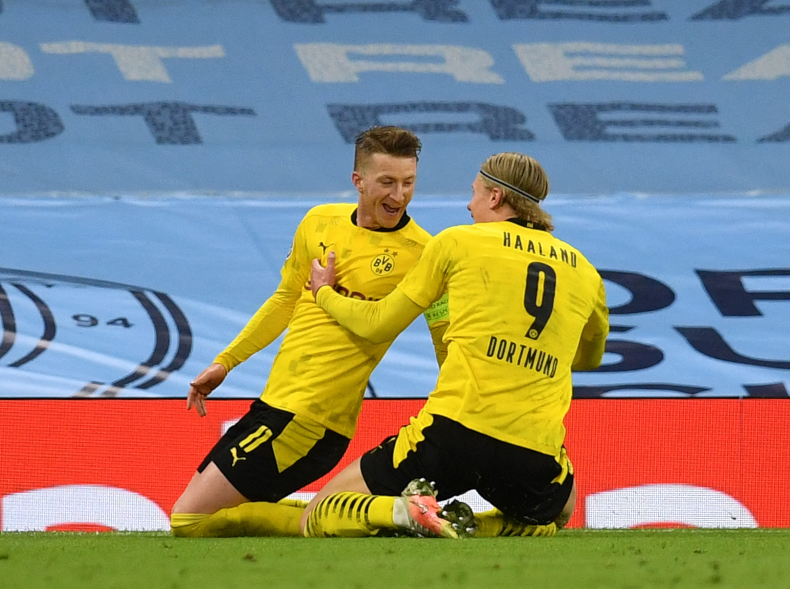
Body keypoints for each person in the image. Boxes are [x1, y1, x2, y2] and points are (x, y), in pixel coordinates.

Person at [301, 152, 610, 539]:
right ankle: (476, 529)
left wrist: (325, 293)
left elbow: (377, 324)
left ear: (496, 197)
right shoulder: (585, 271)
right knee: (560, 510)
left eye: (475, 193)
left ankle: (406, 512)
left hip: (452, 436)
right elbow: (589, 358)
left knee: (318, 513)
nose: (469, 204)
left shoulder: (457, 241)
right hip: (531, 451)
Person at [170, 126, 449, 537]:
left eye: (409, 183)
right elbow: (284, 300)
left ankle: (392, 513)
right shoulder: (319, 222)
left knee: (190, 520)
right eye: (387, 182)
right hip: (276, 405)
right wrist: (225, 362)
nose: (399, 195)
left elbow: (445, 339)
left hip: (312, 419)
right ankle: (364, 514)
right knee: (213, 521)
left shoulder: (424, 253)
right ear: (358, 181)